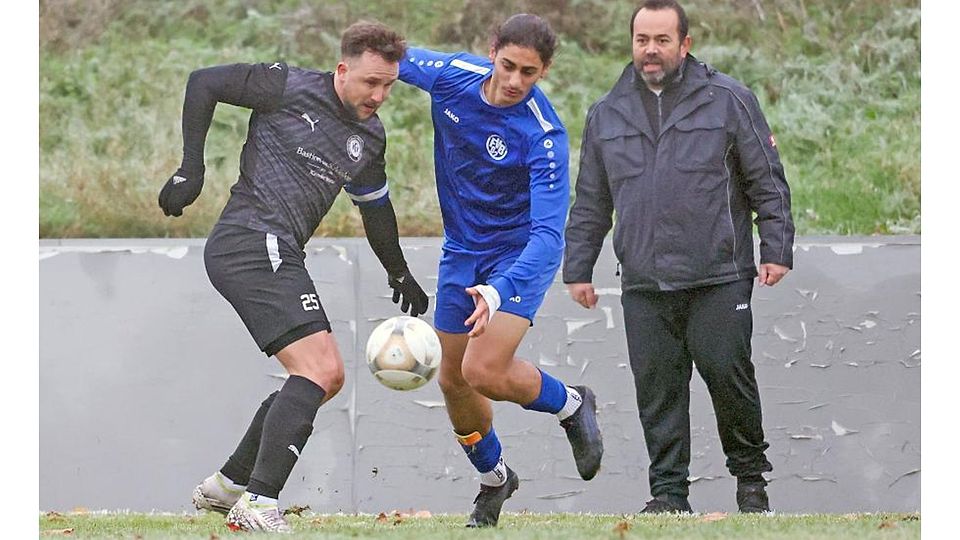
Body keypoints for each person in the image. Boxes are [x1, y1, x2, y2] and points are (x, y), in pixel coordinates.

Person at [157, 21, 429, 533]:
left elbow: (376, 209)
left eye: (389, 85)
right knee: (321, 372)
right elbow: (204, 82)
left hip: (276, 250)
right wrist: (192, 166)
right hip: (250, 241)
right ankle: (258, 505)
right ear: (342, 69)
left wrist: (400, 271)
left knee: (321, 378)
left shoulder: (369, 137)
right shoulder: (287, 86)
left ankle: (228, 487)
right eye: (371, 82)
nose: (379, 95)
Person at [563, 0, 794, 514]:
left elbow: (767, 181)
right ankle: (668, 496)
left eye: (662, 40)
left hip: (718, 276)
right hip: (645, 282)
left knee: (729, 379)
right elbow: (592, 200)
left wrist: (775, 248)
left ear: (685, 45)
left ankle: (751, 485)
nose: (651, 50)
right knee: (658, 393)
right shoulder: (606, 112)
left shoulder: (729, 99)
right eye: (642, 39)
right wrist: (578, 267)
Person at [398, 13, 603, 528]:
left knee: (481, 370)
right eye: (508, 65)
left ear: (544, 71)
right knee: (452, 380)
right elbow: (386, 56)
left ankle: (571, 404)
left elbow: (548, 236)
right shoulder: (451, 74)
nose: (514, 81)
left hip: (519, 257)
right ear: (492, 51)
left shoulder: (544, 135)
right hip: (462, 249)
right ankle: (494, 480)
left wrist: (499, 289)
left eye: (528, 73)